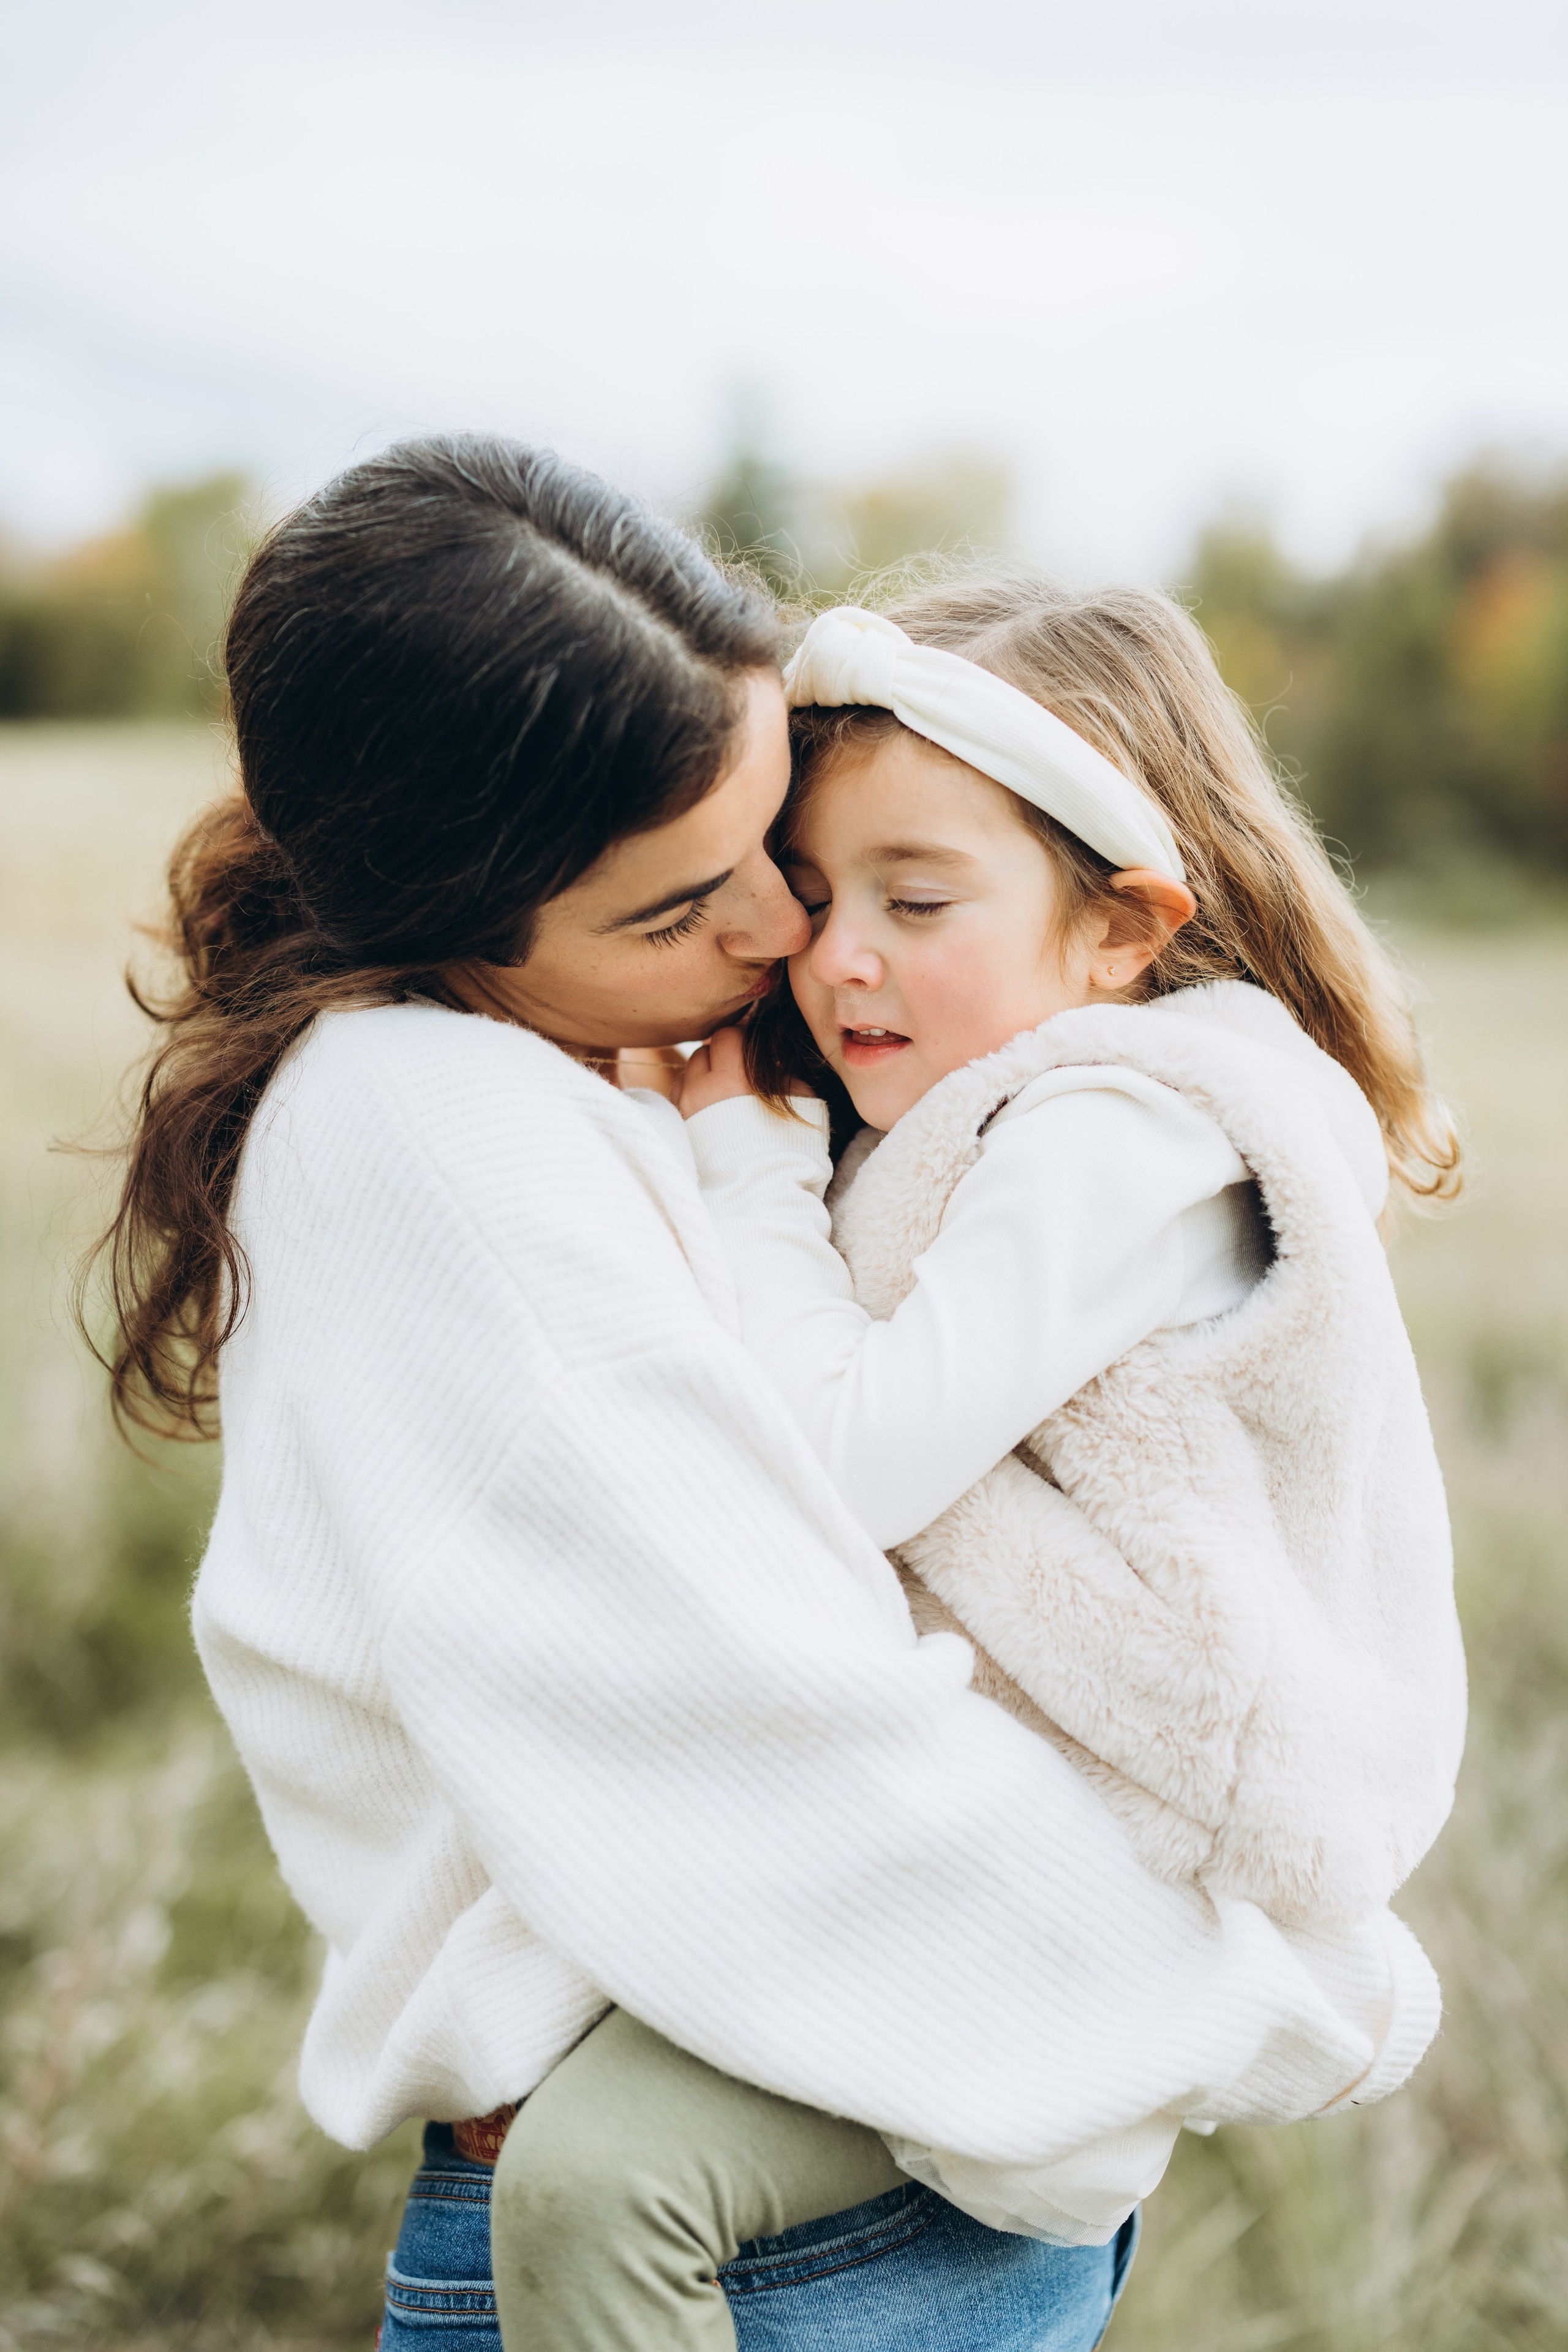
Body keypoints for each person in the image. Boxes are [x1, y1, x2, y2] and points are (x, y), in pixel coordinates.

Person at [91, 438, 1443, 2352]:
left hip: (852, 2152)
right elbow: (778, 1730)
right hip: (786, 2148)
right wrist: (1247, 1998)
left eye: (760, 851)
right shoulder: (446, 1134)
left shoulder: (734, 1082)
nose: (786, 944)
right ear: (456, 921)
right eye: (686, 909)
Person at [488, 586, 1465, 2345]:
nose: (836, 954)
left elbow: (847, 1461)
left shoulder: (1116, 1133)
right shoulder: (990, 1109)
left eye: (915, 900)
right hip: (970, 1850)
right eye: (817, 892)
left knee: (589, 2188)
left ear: (1120, 929)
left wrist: (741, 1160)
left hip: (1067, 1896)